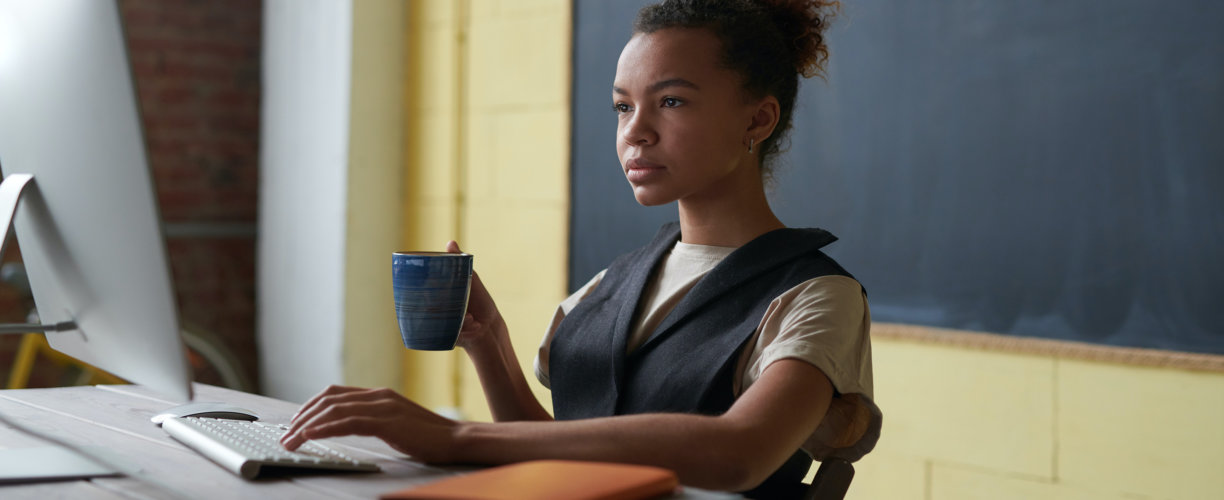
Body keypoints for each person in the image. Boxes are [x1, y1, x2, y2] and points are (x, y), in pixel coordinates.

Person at [281, 0, 881, 497]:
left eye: (670, 101)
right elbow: (562, 455)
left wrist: (455, 438)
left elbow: (738, 455)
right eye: (623, 105)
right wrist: (491, 347)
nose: (635, 131)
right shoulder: (608, 285)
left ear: (759, 120)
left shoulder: (816, 296)